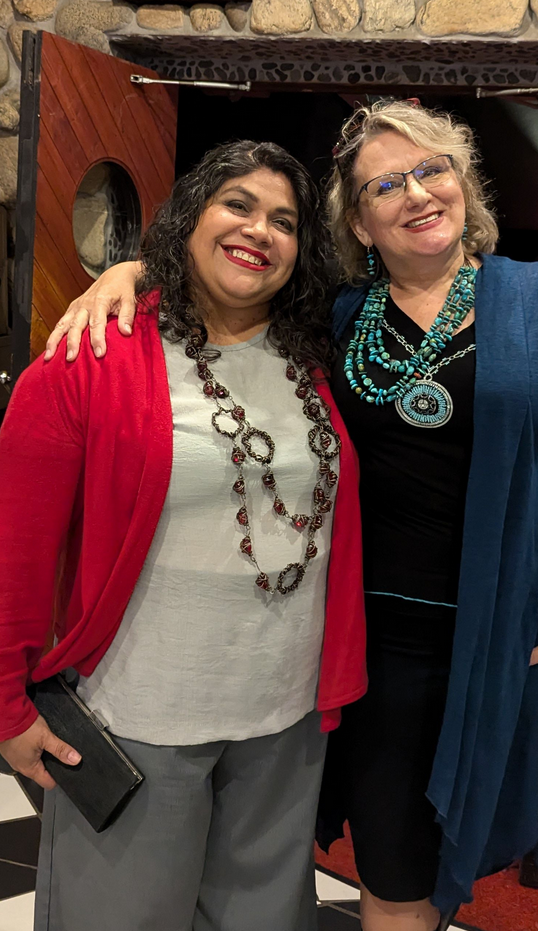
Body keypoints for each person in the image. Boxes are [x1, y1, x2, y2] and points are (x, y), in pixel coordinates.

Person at [43, 100, 538, 931]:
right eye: (387, 184)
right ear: (357, 219)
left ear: (462, 182)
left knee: (444, 859)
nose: (417, 193)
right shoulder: (336, 314)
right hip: (360, 643)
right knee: (386, 865)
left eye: (432, 169)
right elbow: (224, 282)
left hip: (492, 635)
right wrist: (130, 271)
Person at [0, 140, 367, 931]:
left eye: (284, 219)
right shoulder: (88, 355)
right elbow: (12, 548)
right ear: (188, 215)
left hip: (284, 719)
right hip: (137, 719)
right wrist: (5, 705)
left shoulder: (309, 358)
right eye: (237, 203)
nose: (259, 230)